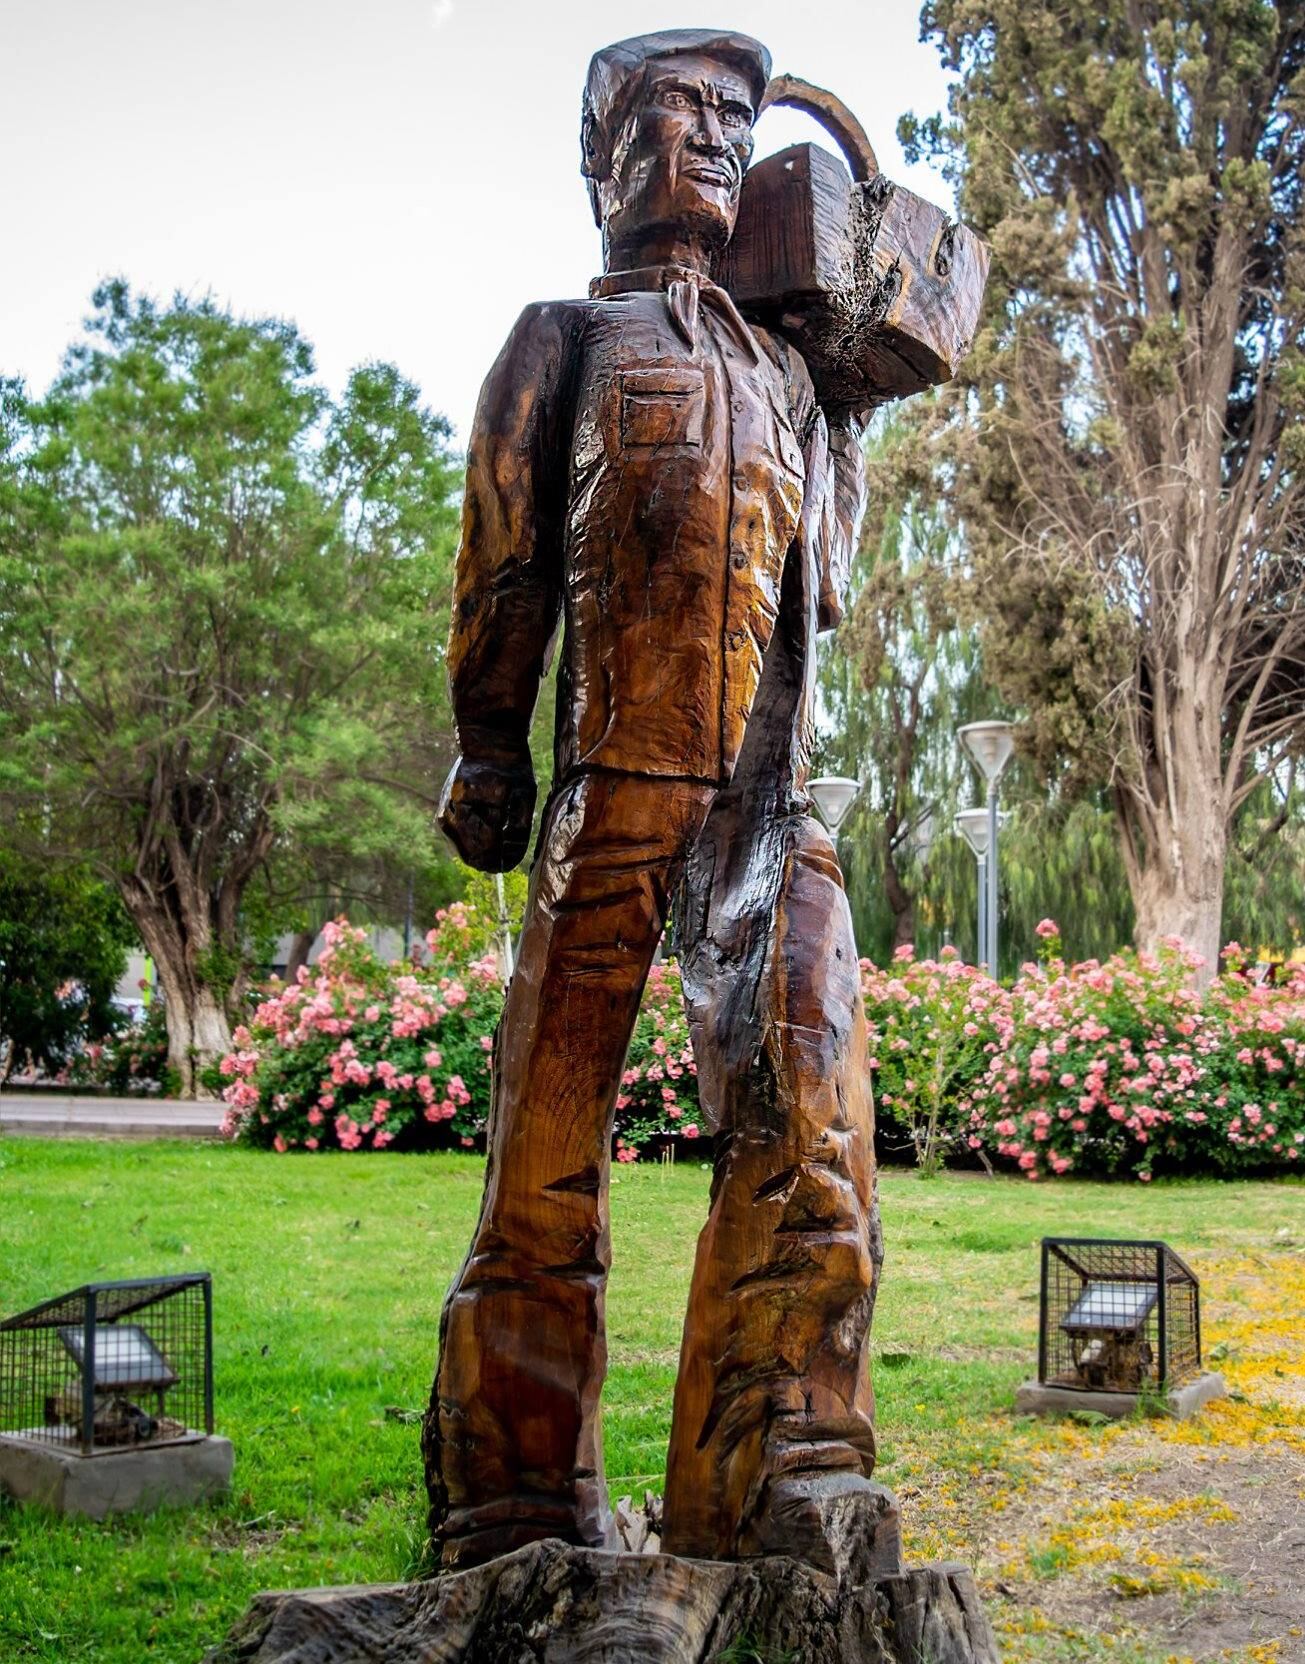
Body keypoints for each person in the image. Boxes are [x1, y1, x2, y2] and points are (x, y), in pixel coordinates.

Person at [424, 27, 882, 1571]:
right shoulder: (562, 337)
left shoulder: (785, 371)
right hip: (611, 794)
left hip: (769, 810)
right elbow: (503, 565)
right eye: (669, 113)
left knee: (807, 1103)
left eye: (728, 119)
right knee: (548, 1143)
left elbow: (830, 595)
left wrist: (852, 406)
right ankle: (512, 1487)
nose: (700, 139)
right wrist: (490, 742)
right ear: (599, 158)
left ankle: (783, 1449)